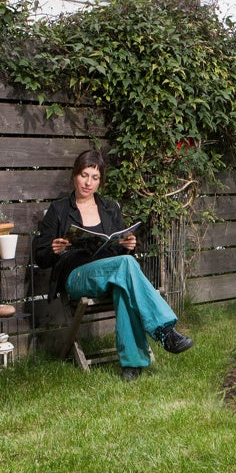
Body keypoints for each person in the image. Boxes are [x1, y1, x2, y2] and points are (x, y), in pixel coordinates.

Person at [36, 149, 194, 381]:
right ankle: (164, 331)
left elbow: (117, 247)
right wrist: (53, 248)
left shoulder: (110, 208)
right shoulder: (59, 210)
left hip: (111, 273)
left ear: (101, 181)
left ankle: (132, 366)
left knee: (124, 280)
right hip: (77, 276)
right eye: (84, 175)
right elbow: (40, 256)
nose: (88, 182)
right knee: (125, 266)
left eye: (95, 177)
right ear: (74, 175)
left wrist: (128, 244)